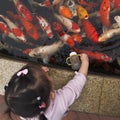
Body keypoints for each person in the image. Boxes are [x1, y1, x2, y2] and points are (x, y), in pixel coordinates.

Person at [4, 53, 89, 120]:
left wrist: (40, 75)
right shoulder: (61, 102)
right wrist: (85, 62)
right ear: (52, 95)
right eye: (47, 77)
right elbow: (78, 83)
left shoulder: (23, 108)